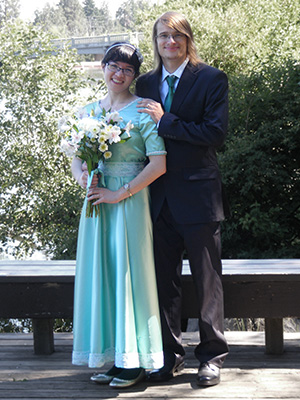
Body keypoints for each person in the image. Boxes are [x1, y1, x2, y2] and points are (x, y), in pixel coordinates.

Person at [135, 11, 229, 386]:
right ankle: (170, 357)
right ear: (155, 43)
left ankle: (211, 357)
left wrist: (165, 121)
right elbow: (133, 137)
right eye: (162, 37)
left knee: (208, 281)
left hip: (199, 195)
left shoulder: (210, 79)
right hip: (155, 198)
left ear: (188, 40)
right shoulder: (144, 84)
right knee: (162, 283)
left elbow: (215, 133)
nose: (169, 43)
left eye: (176, 36)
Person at [71, 42, 166, 389]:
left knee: (128, 275)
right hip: (96, 202)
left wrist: (119, 193)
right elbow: (76, 156)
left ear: (134, 75)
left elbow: (159, 164)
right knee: (103, 275)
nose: (118, 73)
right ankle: (113, 356)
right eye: (113, 65)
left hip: (128, 201)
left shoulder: (142, 111)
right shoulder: (88, 112)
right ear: (103, 67)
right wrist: (82, 175)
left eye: (127, 69)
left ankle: (135, 361)